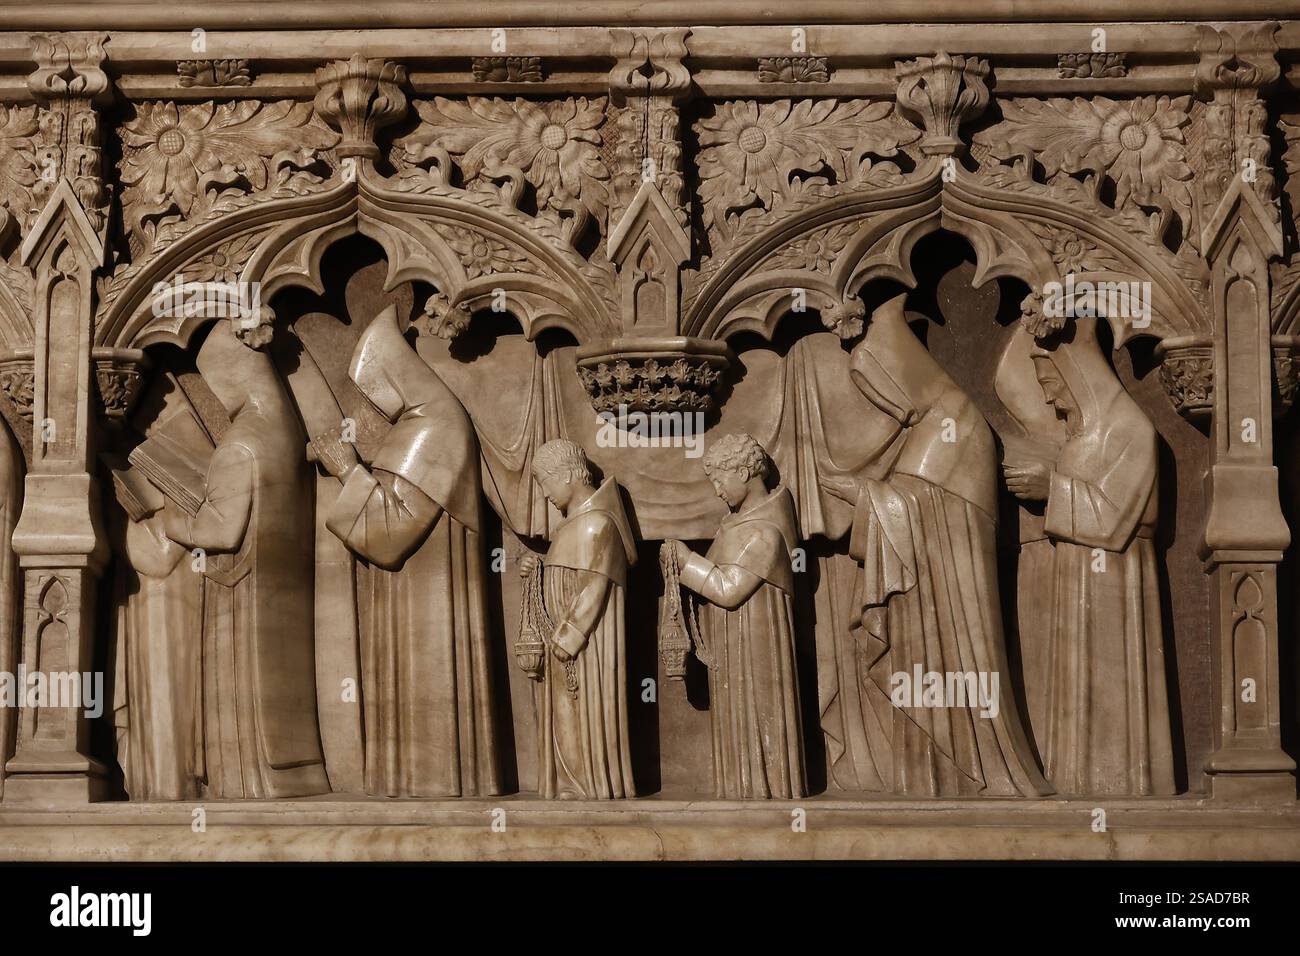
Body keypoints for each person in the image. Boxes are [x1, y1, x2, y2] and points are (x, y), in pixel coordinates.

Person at [314, 306, 501, 798]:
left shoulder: (432, 428)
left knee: (426, 692)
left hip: (425, 604)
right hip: (418, 596)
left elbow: (392, 536)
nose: (372, 403)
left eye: (372, 388)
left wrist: (347, 471)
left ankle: (431, 784)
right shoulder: (429, 422)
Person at [1003, 318, 1175, 796]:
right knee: (1072, 691)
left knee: (1112, 689)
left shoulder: (1130, 430)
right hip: (1076, 577)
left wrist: (1050, 489)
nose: (1053, 400)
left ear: (1078, 374)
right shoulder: (1082, 435)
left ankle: (1120, 788)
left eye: (1053, 386)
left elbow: (1127, 517)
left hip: (1115, 582)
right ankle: (1077, 784)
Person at [162, 320, 328, 799]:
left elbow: (221, 529)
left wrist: (172, 521)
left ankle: (245, 785)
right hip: (279, 599)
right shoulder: (284, 431)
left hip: (240, 596)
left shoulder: (240, 441)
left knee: (242, 713)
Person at [666, 433, 806, 800]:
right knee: (735, 717)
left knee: (757, 717)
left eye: (720, 479)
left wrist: (686, 562)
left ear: (744, 472)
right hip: (731, 647)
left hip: (755, 651)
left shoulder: (765, 533)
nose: (717, 491)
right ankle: (740, 791)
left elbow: (728, 591)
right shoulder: (733, 525)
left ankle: (766, 792)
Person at [520, 439, 637, 799]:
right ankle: (569, 785)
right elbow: (569, 577)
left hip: (586, 653)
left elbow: (594, 587)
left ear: (569, 475)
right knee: (563, 719)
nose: (544, 495)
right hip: (562, 647)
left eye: (546, 483)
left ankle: (587, 786)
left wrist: (568, 638)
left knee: (580, 717)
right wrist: (536, 572)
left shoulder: (597, 523)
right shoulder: (574, 525)